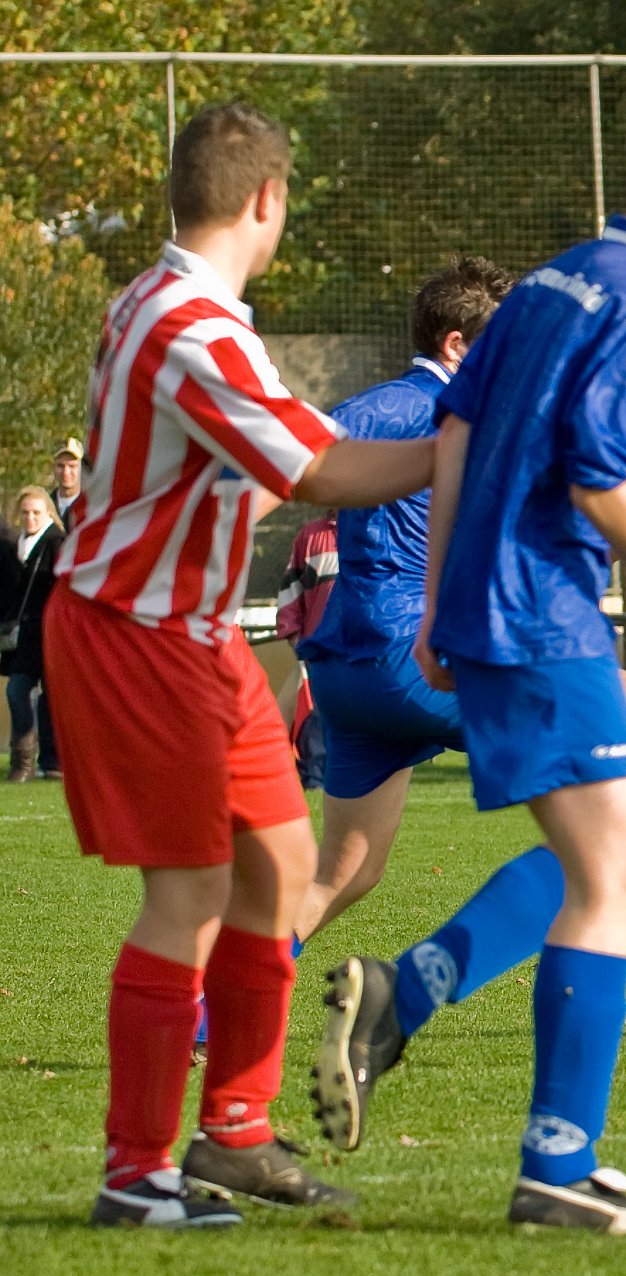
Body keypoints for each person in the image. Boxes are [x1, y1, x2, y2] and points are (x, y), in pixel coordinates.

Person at [314, 87, 626, 1236]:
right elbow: (594, 477)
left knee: (614, 858)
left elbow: (456, 435)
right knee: (619, 872)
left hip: (490, 610)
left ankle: (412, 1005)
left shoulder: (550, 282)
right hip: (542, 616)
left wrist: (439, 600)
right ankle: (549, 1160)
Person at [51, 101, 436, 1229]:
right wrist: (457, 447)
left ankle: (234, 1135)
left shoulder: (178, 307)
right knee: (189, 894)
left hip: (196, 633)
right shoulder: (191, 326)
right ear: (268, 200)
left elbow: (279, 450)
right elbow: (316, 469)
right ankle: (135, 1173)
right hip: (139, 632)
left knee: (279, 866)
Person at [288, 257, 626, 993]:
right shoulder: (413, 403)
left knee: (345, 873)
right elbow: (299, 450)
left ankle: (204, 1006)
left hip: (352, 671)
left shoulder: (475, 420)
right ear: (456, 346)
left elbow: (517, 535)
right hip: (415, 654)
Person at [1, 486, 64, 781]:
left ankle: (49, 762)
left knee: (46, 697)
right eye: (26, 513)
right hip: (26, 636)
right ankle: (24, 762)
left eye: (36, 512)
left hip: (49, 633)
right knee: (17, 690)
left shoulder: (56, 543)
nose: (30, 518)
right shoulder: (18, 545)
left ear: (48, 513)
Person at [276, 509, 338, 788]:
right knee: (318, 713)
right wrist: (294, 636)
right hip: (319, 647)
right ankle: (315, 777)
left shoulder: (380, 529)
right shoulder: (311, 535)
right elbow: (290, 589)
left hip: (367, 647)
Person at [51, 438, 84, 526]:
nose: (66, 472)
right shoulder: (44, 506)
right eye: (60, 466)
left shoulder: (91, 506)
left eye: (72, 466)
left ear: (82, 468)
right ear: (53, 467)